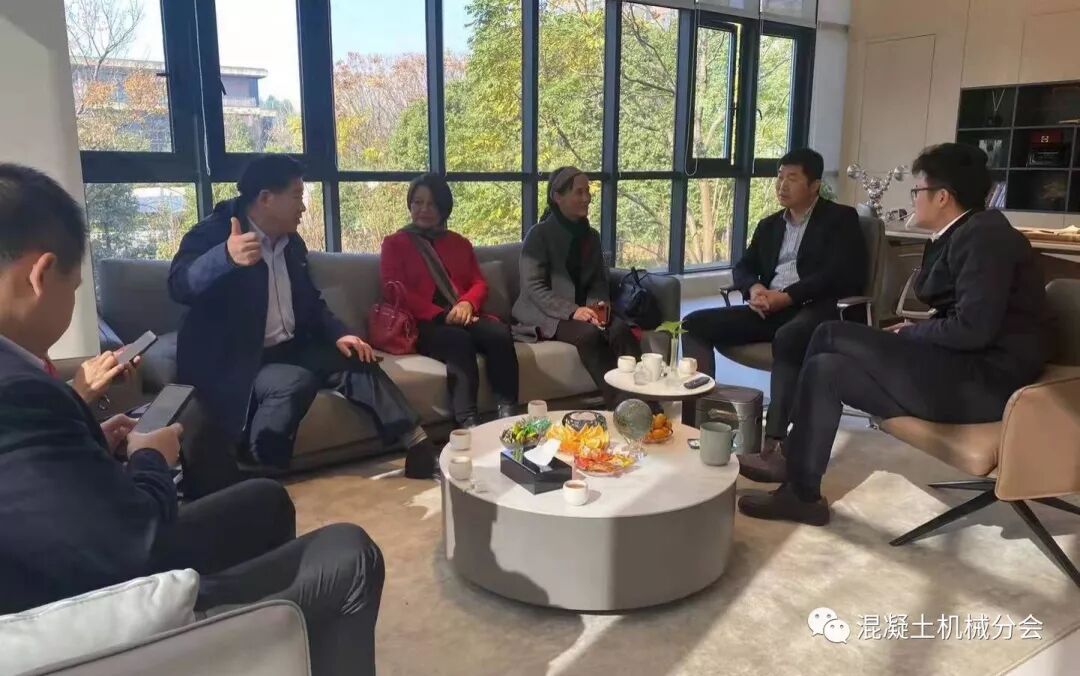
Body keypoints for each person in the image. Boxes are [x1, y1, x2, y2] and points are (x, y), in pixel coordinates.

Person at [0, 163, 384, 676]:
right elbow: (134, 546)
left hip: (77, 546)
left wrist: (91, 435)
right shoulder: (19, 393)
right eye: (73, 287)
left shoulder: (291, 246)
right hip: (95, 604)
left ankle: (263, 643)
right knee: (350, 552)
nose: (303, 205)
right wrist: (151, 459)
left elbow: (40, 479)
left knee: (267, 498)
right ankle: (226, 623)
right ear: (41, 275)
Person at [737, 143, 1049, 525]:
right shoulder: (964, 233)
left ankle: (788, 456)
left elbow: (973, 329)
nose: (913, 198)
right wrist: (917, 330)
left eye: (918, 190)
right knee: (825, 369)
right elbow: (968, 317)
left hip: (985, 385)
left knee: (830, 334)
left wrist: (911, 336)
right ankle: (801, 494)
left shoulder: (985, 237)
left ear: (942, 197)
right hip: (962, 369)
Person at [169, 155, 440, 486]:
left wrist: (340, 334)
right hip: (237, 359)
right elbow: (179, 285)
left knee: (357, 355)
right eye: (297, 196)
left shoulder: (291, 242)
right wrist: (225, 257)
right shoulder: (214, 233)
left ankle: (416, 442)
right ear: (266, 198)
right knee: (295, 382)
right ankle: (258, 470)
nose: (304, 207)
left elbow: (309, 301)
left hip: (288, 345)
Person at [681, 148, 866, 454]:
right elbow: (744, 266)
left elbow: (838, 274)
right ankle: (699, 416)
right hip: (769, 307)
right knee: (693, 324)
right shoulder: (769, 225)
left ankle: (775, 441)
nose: (782, 185)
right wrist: (754, 289)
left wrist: (788, 296)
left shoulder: (840, 219)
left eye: (792, 178)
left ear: (815, 185)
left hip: (814, 309)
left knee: (789, 336)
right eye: (779, 177)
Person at [380, 174, 519, 428]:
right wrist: (439, 314)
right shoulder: (395, 244)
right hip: (422, 322)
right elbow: (394, 289)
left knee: (499, 334)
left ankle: (508, 415)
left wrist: (467, 304)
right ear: (410, 205)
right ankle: (468, 422)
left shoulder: (459, 243)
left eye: (431, 204)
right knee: (458, 340)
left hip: (462, 314)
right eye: (418, 202)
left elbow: (479, 282)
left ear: (443, 208)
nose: (423, 209)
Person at [512, 166, 640, 406]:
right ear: (557, 197)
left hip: (585, 310)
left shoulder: (591, 236)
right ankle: (623, 405)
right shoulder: (538, 235)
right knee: (589, 335)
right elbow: (534, 288)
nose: (587, 198)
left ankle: (645, 399)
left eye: (588, 191)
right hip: (548, 313)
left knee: (620, 330)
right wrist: (573, 311)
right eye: (579, 192)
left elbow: (598, 280)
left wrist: (598, 308)